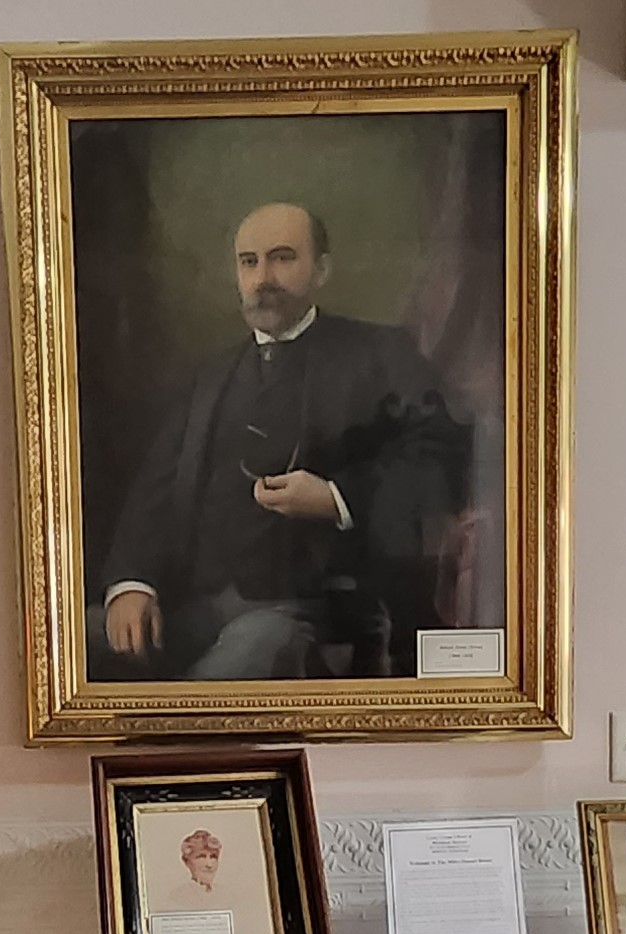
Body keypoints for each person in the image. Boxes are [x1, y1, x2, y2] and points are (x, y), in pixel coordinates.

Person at [89, 201, 470, 681]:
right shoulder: (210, 376)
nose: (263, 276)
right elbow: (155, 489)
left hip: (308, 609)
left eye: (283, 257)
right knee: (77, 651)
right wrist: (131, 582)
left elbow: (443, 453)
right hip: (195, 603)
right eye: (249, 261)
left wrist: (337, 498)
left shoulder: (378, 354)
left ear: (322, 269)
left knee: (226, 678)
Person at [147, 828, 278, 934]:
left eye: (213, 857)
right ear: (187, 862)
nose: (209, 864)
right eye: (201, 857)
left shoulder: (228, 895)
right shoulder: (177, 897)